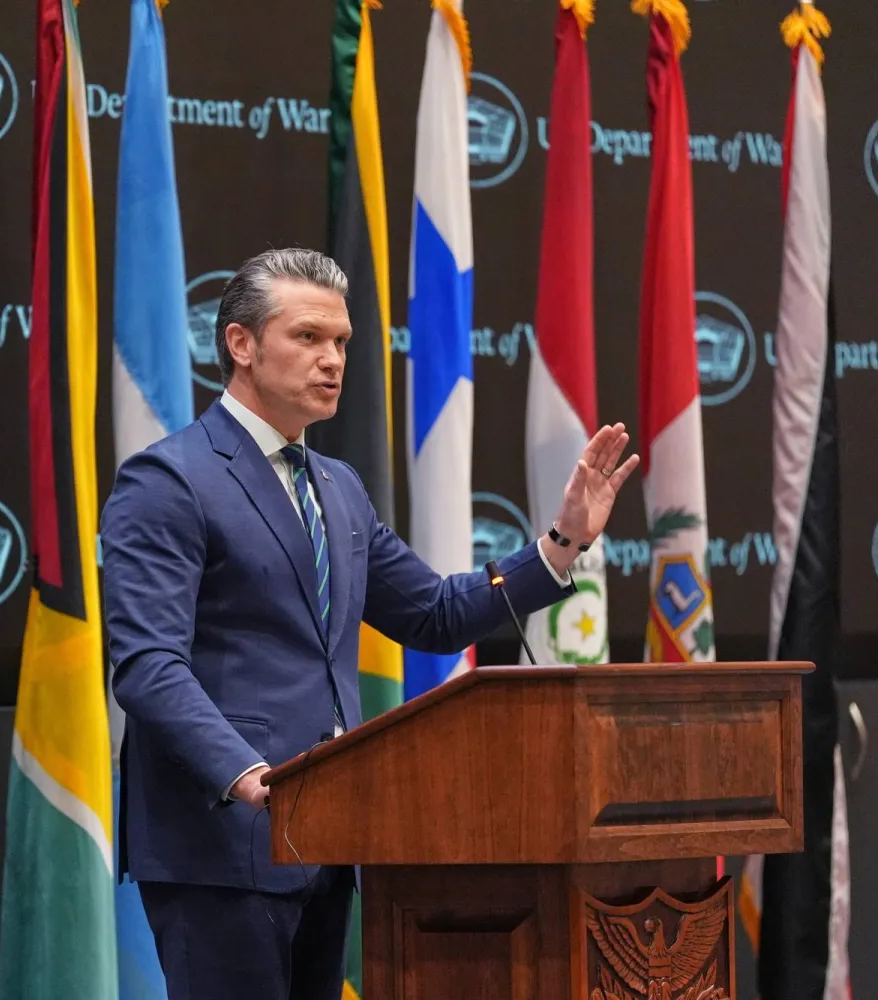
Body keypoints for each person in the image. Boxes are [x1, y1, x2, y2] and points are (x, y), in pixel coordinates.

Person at [101, 249, 639, 1000]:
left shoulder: (338, 487)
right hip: (221, 843)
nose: (332, 360)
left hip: (329, 842)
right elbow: (148, 666)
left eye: (342, 342)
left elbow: (435, 614)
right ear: (241, 344)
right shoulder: (168, 480)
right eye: (308, 337)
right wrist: (248, 774)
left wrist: (562, 542)